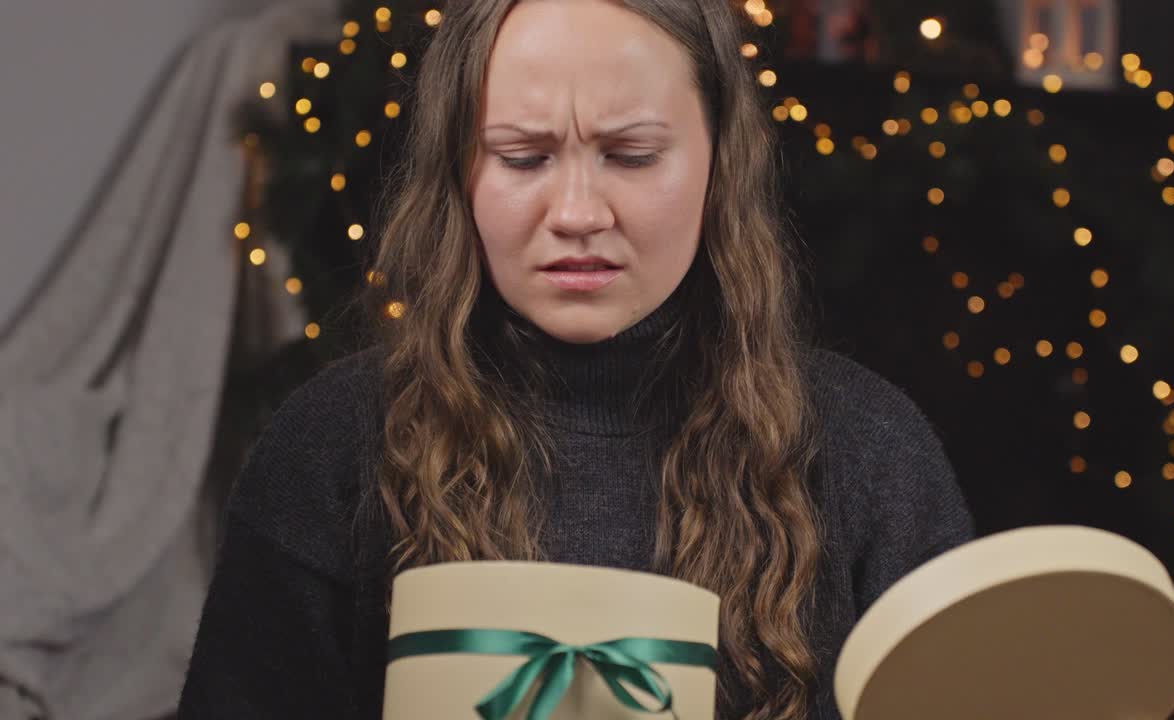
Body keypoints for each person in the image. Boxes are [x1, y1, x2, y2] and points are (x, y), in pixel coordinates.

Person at [176, 0, 975, 718]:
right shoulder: (330, 448)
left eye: (630, 155)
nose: (578, 214)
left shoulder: (873, 456)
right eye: (524, 158)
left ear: (718, 162)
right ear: (460, 171)